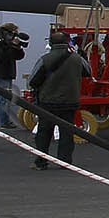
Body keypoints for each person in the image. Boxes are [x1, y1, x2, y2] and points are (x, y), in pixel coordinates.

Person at [26, 30, 89, 169]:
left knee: (44, 133)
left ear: (50, 43)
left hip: (48, 102)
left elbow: (32, 80)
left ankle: (41, 162)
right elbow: (88, 71)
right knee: (66, 133)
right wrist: (82, 55)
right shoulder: (76, 58)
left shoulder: (45, 59)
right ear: (67, 43)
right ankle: (65, 161)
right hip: (69, 101)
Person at [0, 22, 29, 128]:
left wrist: (17, 47)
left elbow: (19, 56)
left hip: (6, 73)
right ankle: (4, 122)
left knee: (5, 98)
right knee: (4, 99)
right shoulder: (0, 44)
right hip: (3, 73)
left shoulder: (6, 43)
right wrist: (14, 46)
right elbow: (4, 56)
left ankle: (5, 120)